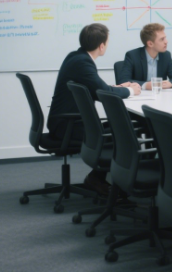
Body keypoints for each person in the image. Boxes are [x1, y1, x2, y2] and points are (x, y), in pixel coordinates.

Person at [48, 23, 141, 195]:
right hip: (68, 126)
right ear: (101, 45)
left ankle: (102, 178)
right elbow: (102, 92)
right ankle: (101, 179)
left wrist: (118, 87)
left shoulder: (76, 57)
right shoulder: (83, 63)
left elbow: (97, 89)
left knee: (121, 130)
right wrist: (130, 91)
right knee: (125, 135)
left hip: (65, 122)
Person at [119, 23, 172, 89]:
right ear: (150, 44)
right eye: (162, 39)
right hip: (139, 94)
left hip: (160, 94)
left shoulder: (166, 56)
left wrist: (170, 83)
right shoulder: (132, 56)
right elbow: (123, 81)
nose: (166, 41)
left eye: (165, 38)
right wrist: (145, 85)